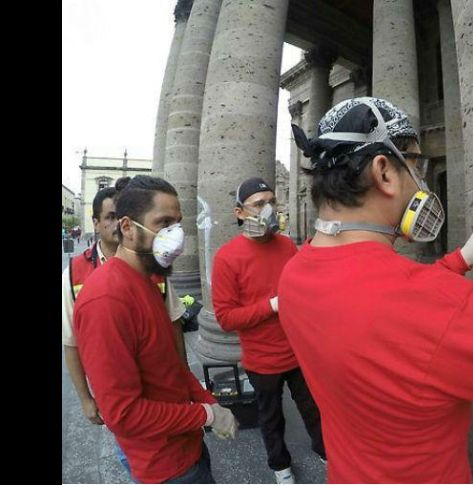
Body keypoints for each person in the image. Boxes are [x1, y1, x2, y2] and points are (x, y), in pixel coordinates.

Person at [279, 97, 473, 483]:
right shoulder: (436, 305)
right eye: (416, 166)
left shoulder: (293, 274)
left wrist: (461, 259)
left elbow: (383, 316)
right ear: (384, 172)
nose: (422, 181)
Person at [73, 175, 237, 484]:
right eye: (164, 223)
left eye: (178, 223)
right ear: (127, 227)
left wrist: (208, 402)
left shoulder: (147, 280)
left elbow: (170, 366)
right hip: (166, 467)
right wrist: (206, 415)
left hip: (186, 447)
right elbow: (123, 415)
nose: (176, 235)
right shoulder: (106, 300)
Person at [62, 183, 191, 477]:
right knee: (134, 453)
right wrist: (86, 399)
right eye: (109, 217)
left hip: (169, 411)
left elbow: (173, 325)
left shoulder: (150, 268)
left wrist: (186, 382)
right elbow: (71, 343)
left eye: (177, 223)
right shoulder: (81, 279)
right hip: (142, 420)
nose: (175, 234)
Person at [212, 177, 325, 484]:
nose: (269, 209)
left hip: (298, 351)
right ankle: (280, 466)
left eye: (272, 201)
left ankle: (324, 449)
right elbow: (226, 318)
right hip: (262, 361)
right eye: (259, 204)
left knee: (313, 408)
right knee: (271, 417)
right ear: (239, 212)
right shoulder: (227, 258)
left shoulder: (286, 245)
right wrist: (271, 305)